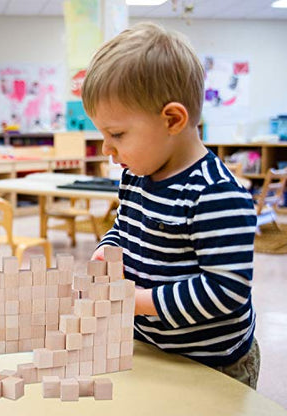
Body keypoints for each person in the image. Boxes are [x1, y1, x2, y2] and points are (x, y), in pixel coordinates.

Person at [81, 22, 259, 388]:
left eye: (116, 134)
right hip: (155, 347)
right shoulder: (136, 174)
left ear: (173, 120)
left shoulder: (216, 195)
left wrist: (136, 300)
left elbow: (225, 291)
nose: (106, 149)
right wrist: (109, 247)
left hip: (213, 364)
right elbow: (124, 228)